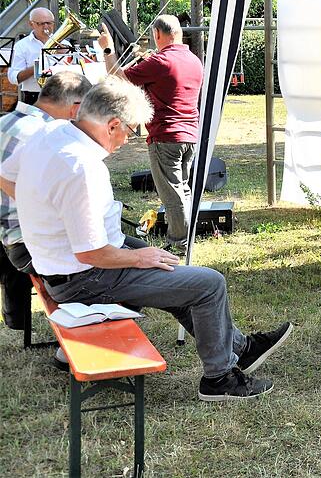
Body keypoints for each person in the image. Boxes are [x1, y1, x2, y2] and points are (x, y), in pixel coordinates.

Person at [3, 78, 292, 401]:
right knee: (209, 283)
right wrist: (140, 258)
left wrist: (41, 207)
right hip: (84, 277)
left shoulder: (47, 132)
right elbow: (91, 253)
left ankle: (240, 348)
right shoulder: (80, 167)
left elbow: (6, 176)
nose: (128, 140)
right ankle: (220, 378)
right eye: (130, 130)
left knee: (177, 274)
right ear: (112, 125)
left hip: (64, 264)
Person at [99, 14, 204, 254]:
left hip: (166, 135)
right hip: (189, 134)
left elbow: (118, 77)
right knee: (182, 188)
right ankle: (186, 236)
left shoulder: (161, 61)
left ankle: (180, 243)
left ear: (157, 34)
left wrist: (107, 50)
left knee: (172, 193)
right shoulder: (193, 60)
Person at [0, 72, 92, 331]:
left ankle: (17, 319)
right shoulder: (44, 134)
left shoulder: (6, 120)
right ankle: (83, 338)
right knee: (112, 262)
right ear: (75, 106)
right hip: (27, 241)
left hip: (9, 233)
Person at [8, 8, 57, 105]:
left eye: (49, 23)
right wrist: (36, 68)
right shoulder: (21, 46)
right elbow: (13, 77)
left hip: (62, 96)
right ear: (31, 24)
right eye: (41, 24)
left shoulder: (64, 44)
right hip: (34, 97)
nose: (46, 26)